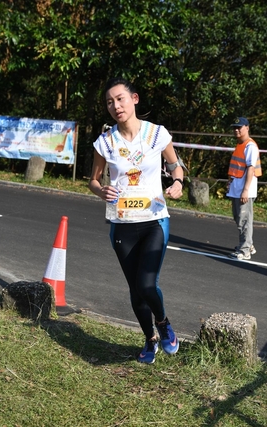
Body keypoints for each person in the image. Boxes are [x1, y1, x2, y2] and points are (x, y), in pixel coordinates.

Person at [88, 77, 185, 364]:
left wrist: (177, 182)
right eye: (109, 102)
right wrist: (100, 190)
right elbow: (94, 180)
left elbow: (175, 165)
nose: (115, 106)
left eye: (120, 99)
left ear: (134, 99)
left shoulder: (156, 134)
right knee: (135, 289)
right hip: (122, 223)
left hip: (154, 220)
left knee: (146, 284)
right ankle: (149, 339)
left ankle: (163, 323)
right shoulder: (105, 142)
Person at [226, 117, 262, 260]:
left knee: (244, 220)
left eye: (239, 127)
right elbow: (237, 167)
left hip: (244, 189)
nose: (236, 130)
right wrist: (230, 182)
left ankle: (245, 250)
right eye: (234, 128)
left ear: (247, 128)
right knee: (238, 217)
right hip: (237, 187)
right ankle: (248, 244)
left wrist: (246, 190)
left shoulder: (250, 146)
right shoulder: (240, 145)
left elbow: (251, 168)